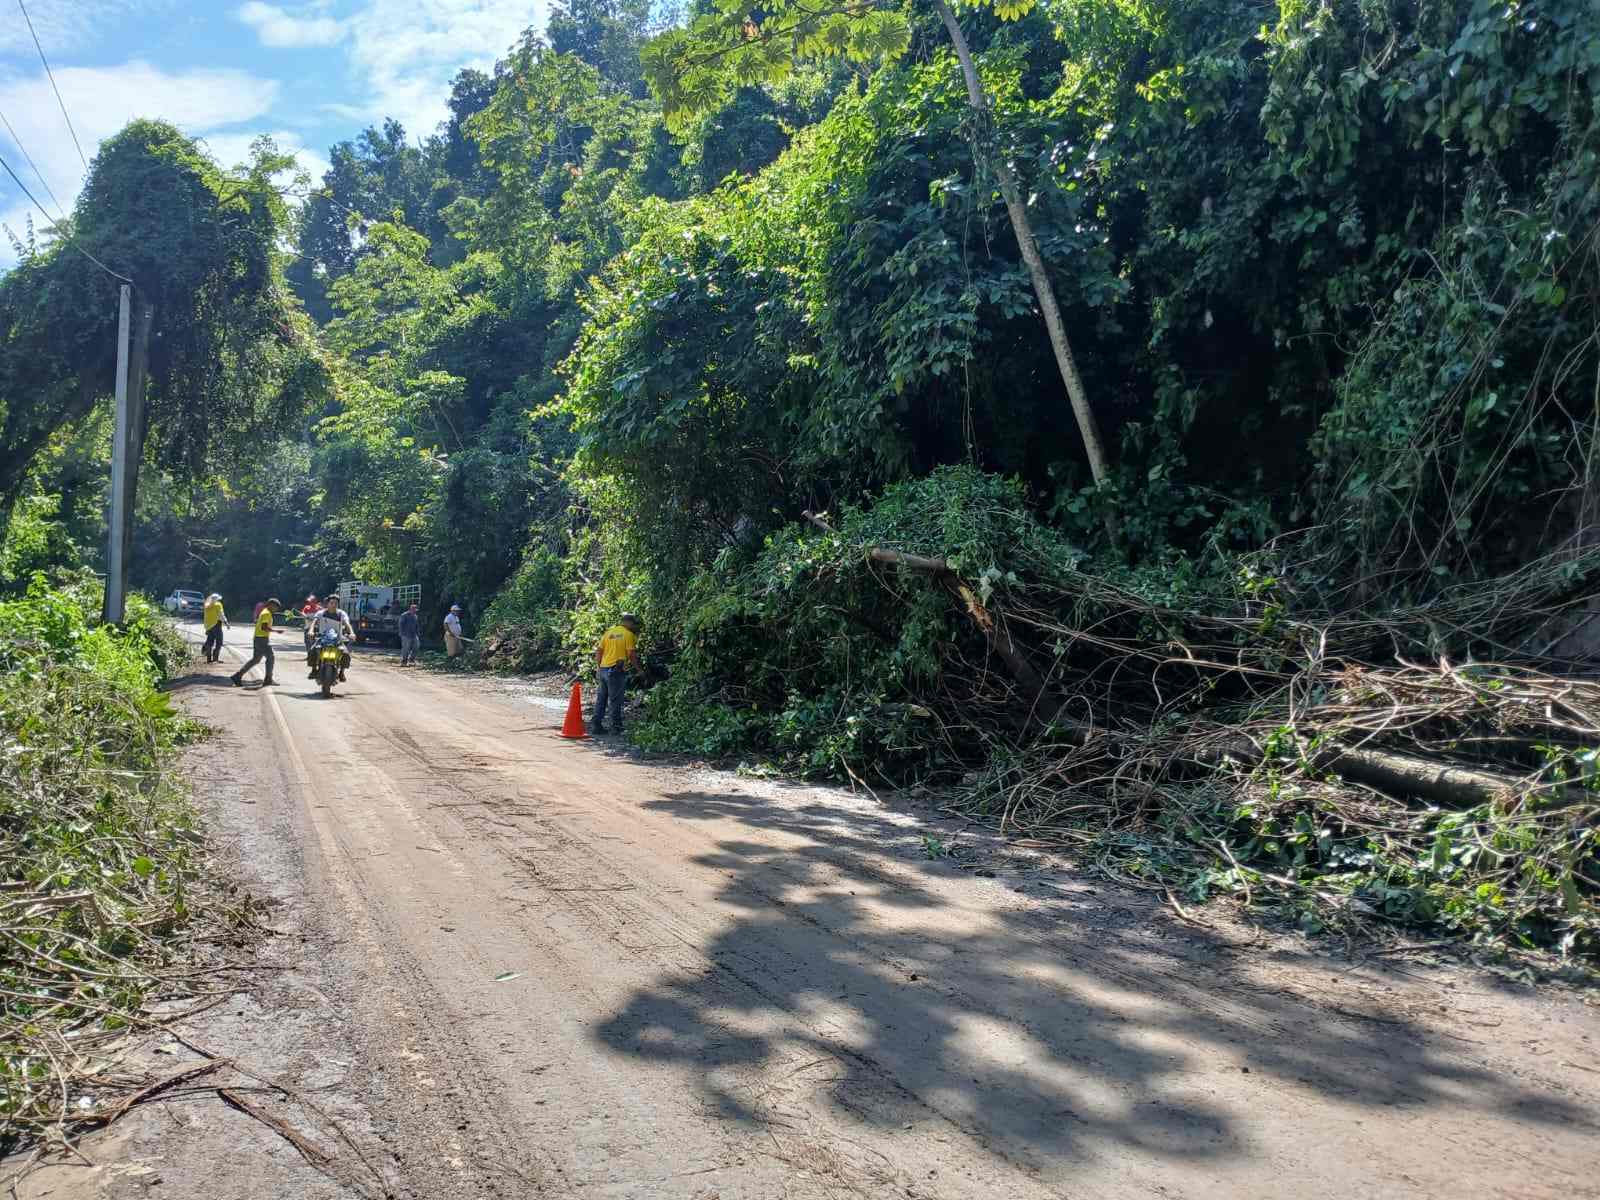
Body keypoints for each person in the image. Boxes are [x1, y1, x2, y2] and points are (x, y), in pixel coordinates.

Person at [591, 613, 642, 736]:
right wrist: (639, 669)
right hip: (616, 670)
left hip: (603, 669)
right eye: (634, 624)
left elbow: (599, 651)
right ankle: (616, 727)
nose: (634, 627)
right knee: (615, 700)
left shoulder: (608, 633)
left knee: (601, 699)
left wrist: (599, 667)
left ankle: (596, 725)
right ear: (629, 622)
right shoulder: (628, 635)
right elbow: (631, 654)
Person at [230, 598, 280, 687]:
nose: (276, 609)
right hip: (262, 639)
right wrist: (276, 631)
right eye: (276, 607)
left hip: (258, 638)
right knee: (270, 657)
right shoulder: (266, 613)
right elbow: (263, 627)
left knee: (256, 659)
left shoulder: (265, 612)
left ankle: (237, 676)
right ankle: (268, 679)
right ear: (270, 605)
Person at [307, 596, 356, 681]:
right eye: (331, 603)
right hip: (322, 638)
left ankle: (341, 672)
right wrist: (311, 631)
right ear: (327, 604)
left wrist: (352, 633)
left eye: (336, 603)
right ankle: (314, 670)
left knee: (346, 654)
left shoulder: (341, 614)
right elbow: (314, 622)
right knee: (312, 651)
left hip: (337, 639)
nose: (334, 605)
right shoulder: (321, 613)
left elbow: (347, 624)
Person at [201, 593, 229, 663]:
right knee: (219, 642)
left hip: (208, 626)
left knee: (209, 642)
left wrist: (206, 627)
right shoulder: (218, 605)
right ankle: (215, 658)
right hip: (216, 625)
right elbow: (221, 615)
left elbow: (205, 616)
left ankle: (208, 659)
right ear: (217, 600)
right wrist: (226, 622)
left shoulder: (206, 606)